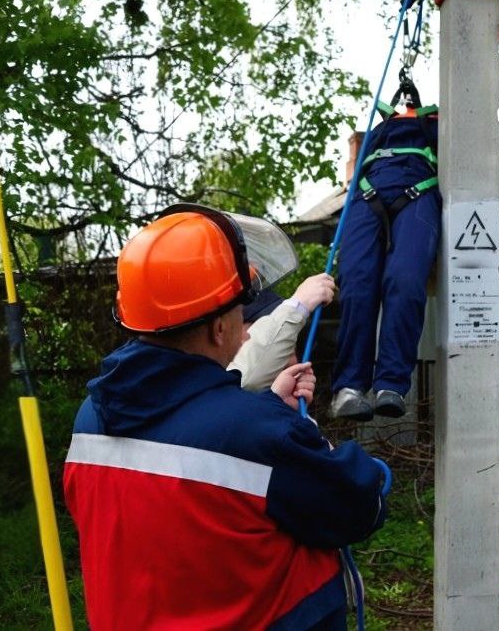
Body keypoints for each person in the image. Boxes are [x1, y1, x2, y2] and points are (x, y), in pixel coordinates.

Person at [64, 204, 387, 630]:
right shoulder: (255, 433)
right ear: (220, 328)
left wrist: (268, 409)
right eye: (243, 308)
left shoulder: (91, 418)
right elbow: (360, 505)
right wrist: (300, 434)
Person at [331, 99, 440, 421]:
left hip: (418, 190)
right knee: (357, 283)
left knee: (404, 281)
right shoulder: (379, 131)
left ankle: (390, 384)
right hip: (367, 192)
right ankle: (349, 387)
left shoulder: (436, 124)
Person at [230, 272, 336, 391]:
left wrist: (283, 405)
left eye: (288, 342)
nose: (288, 358)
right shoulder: (217, 389)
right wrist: (299, 305)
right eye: (264, 330)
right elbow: (245, 380)